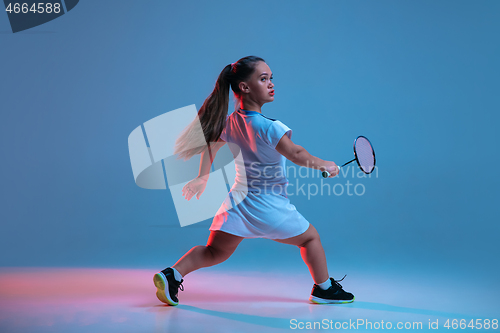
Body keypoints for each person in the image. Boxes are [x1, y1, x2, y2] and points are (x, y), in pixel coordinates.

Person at [153, 56, 354, 306]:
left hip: (237, 202)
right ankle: (323, 289)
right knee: (310, 238)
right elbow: (296, 154)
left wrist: (201, 178)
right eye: (263, 78)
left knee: (214, 252)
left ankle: (172, 274)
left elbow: (211, 147)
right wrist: (324, 164)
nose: (271, 84)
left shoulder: (230, 122)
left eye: (271, 78)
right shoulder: (269, 127)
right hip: (268, 205)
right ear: (244, 87)